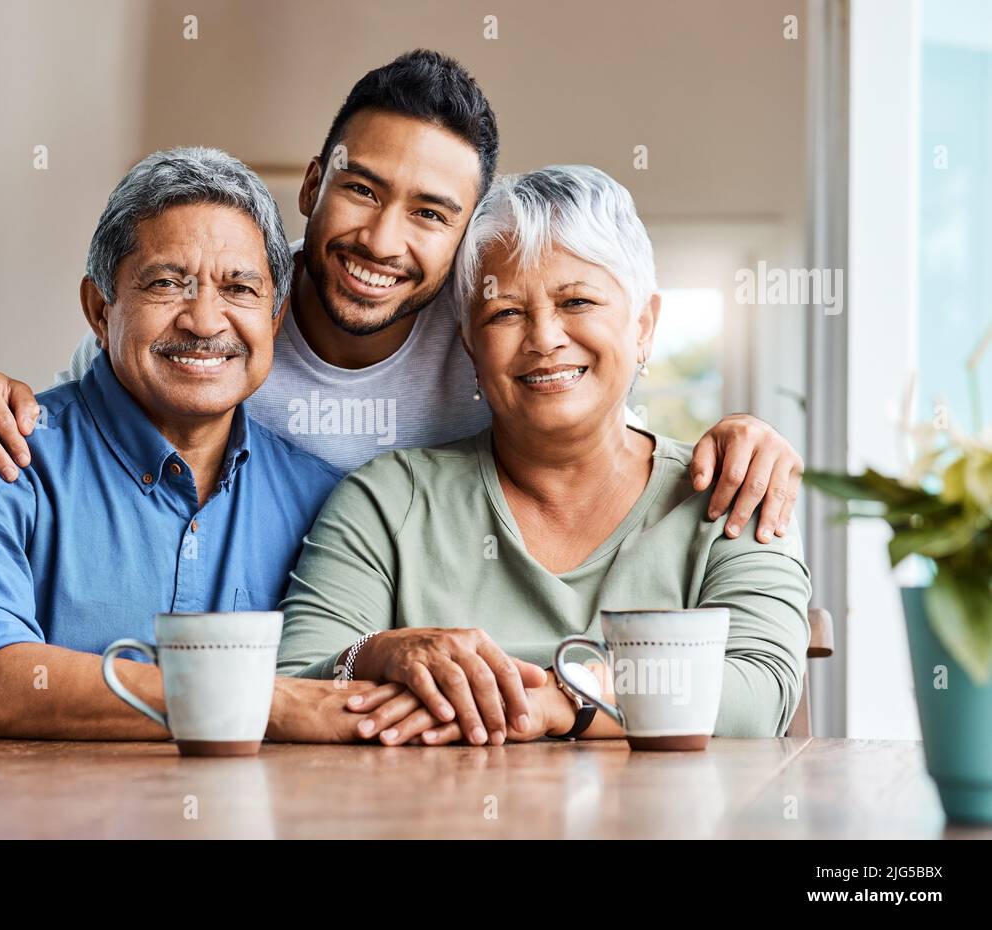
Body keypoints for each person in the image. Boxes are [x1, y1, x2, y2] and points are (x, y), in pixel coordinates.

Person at [0, 49, 804, 736]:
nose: (381, 239)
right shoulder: (35, 435)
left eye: (430, 212)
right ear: (313, 186)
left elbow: (580, 392)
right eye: (362, 189)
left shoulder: (463, 365)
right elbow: (97, 398)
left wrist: (738, 436)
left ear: (459, 251)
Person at [0, 147, 421, 748]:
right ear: (100, 309)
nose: (204, 321)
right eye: (167, 283)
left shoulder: (327, 500)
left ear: (274, 319)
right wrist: (261, 705)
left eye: (239, 288)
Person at [276, 166, 812, 748]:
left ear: (644, 327)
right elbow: (291, 686)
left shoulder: (736, 489)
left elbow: (758, 696)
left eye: (577, 301)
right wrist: (377, 653)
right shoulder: (388, 499)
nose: (545, 338)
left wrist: (568, 698)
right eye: (505, 312)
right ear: (470, 348)